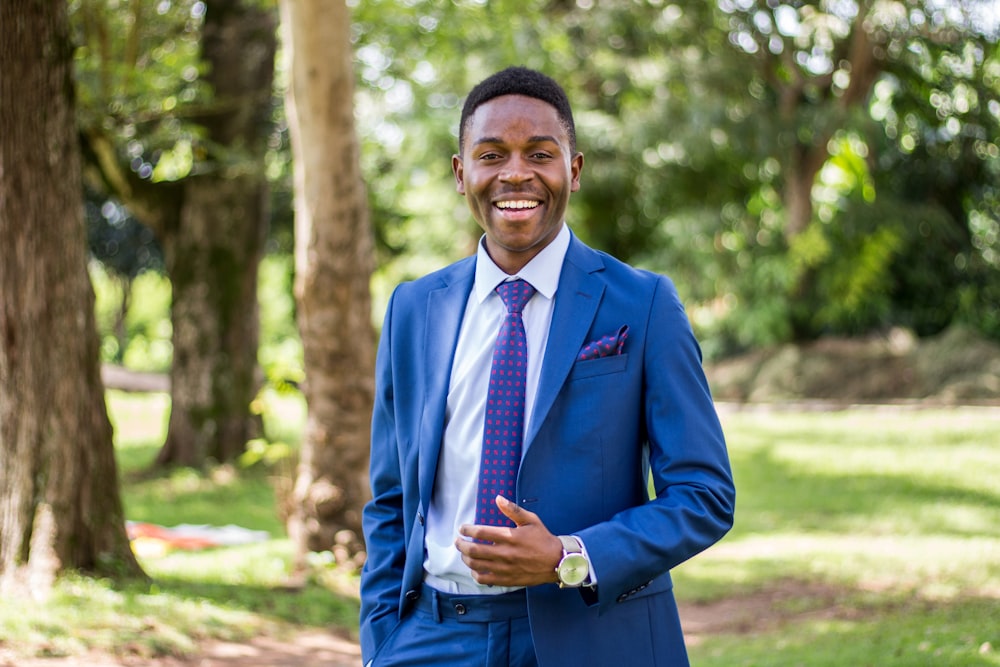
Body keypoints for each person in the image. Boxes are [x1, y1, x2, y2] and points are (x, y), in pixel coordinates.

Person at [360, 65, 735, 667]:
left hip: (593, 636)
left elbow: (704, 495)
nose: (516, 173)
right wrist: (381, 637)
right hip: (432, 638)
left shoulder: (643, 305)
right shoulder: (414, 309)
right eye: (491, 154)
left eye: (540, 153)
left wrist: (569, 556)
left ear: (573, 170)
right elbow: (391, 496)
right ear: (462, 175)